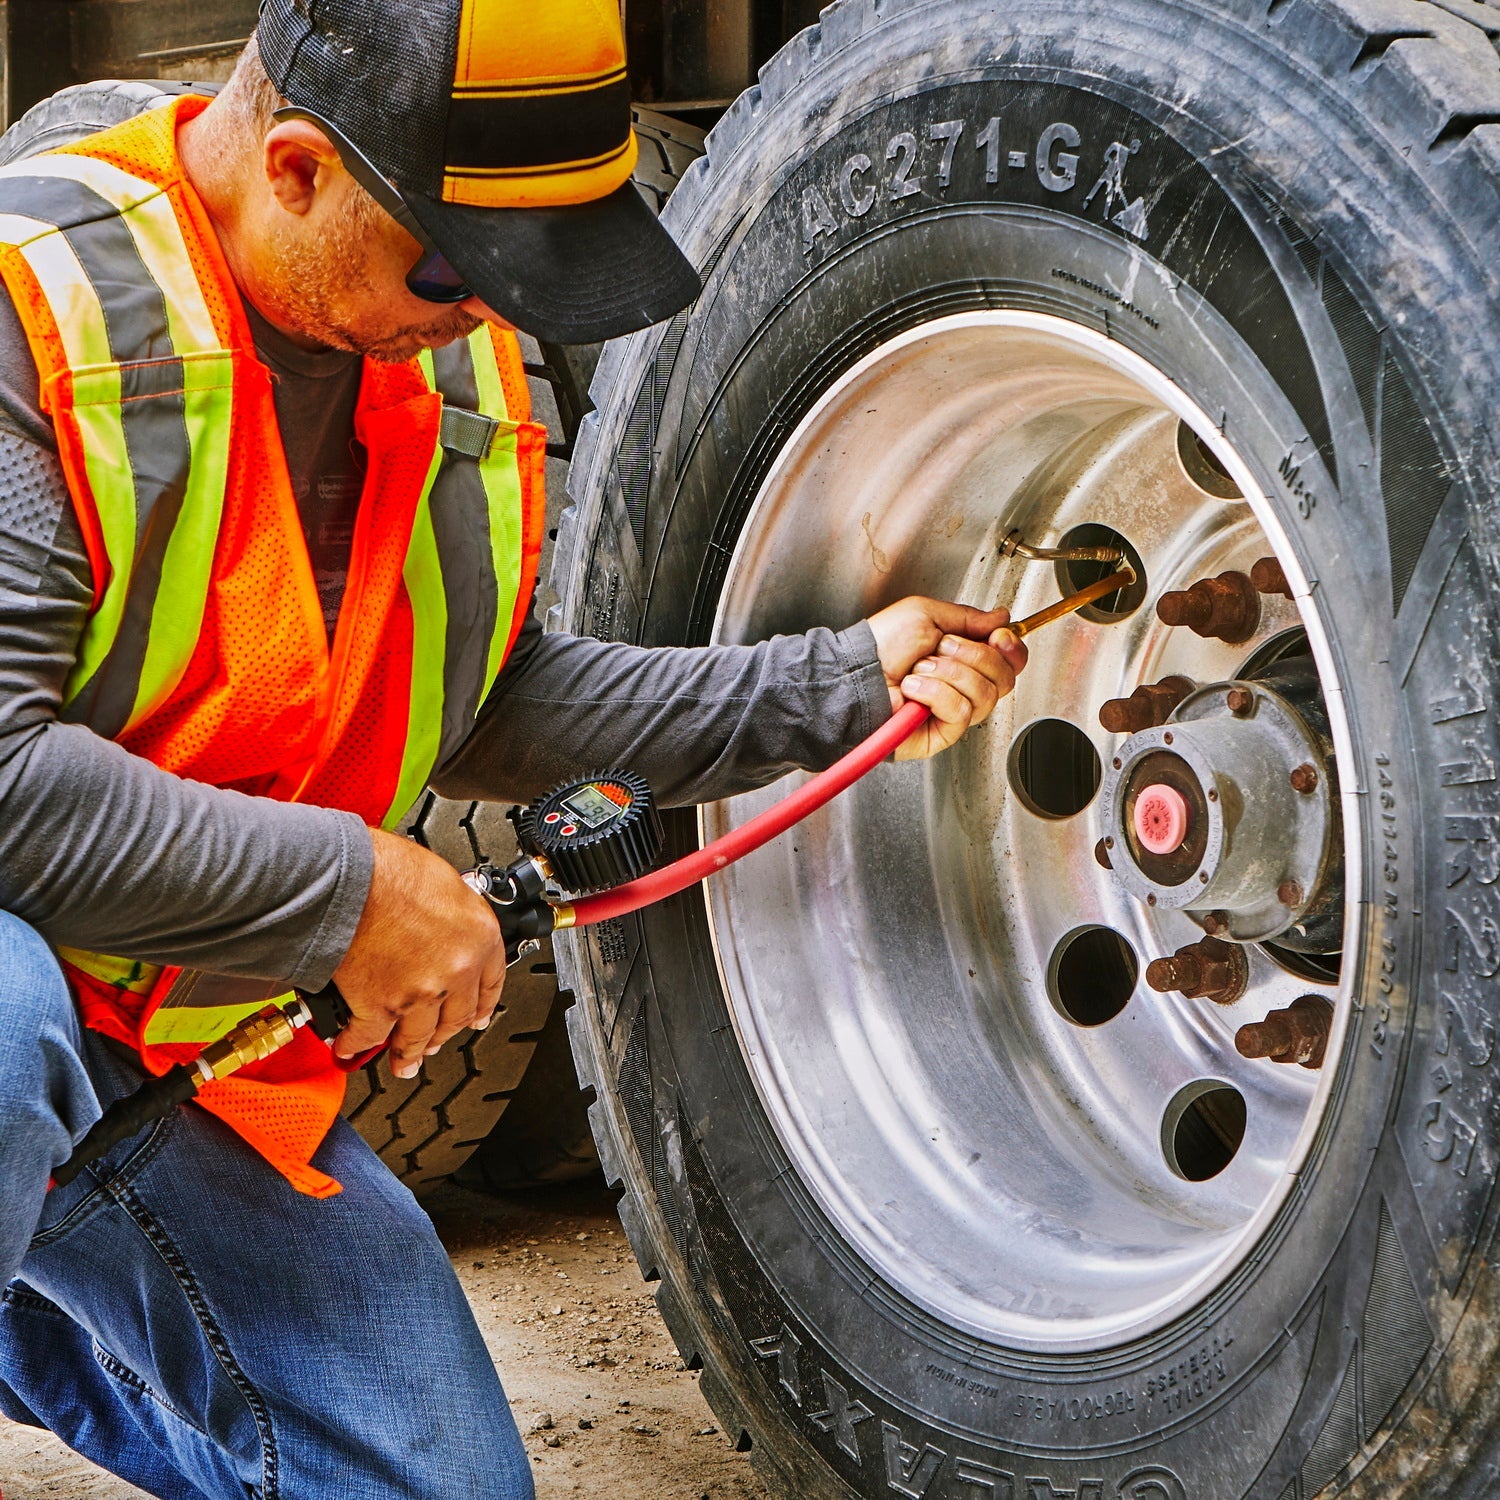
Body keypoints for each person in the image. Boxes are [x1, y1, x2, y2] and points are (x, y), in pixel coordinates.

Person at [0, 0, 1027, 1493]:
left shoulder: (411, 349)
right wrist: (353, 894)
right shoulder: (35, 309)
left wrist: (837, 685)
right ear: (294, 167)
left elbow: (474, 693)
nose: (483, 308)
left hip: (161, 1037)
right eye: (454, 262)